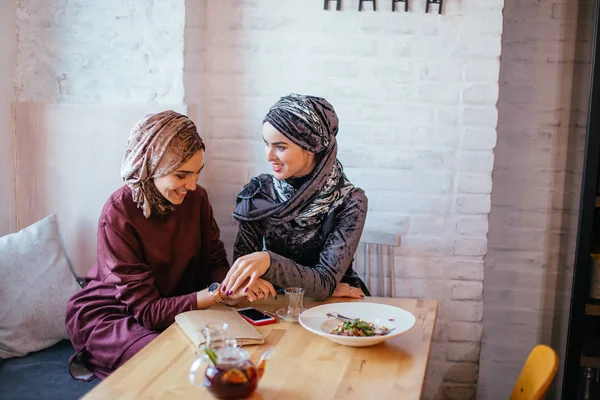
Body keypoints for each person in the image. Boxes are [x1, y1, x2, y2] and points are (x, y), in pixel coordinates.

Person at [65, 111, 274, 381]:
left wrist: (235, 285)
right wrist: (218, 294)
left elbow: (215, 263)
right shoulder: (119, 212)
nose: (192, 184)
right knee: (177, 360)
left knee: (231, 353)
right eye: (181, 175)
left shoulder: (196, 198)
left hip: (176, 305)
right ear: (150, 167)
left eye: (197, 173)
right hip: (117, 317)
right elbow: (148, 312)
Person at [221, 94, 369, 301]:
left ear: (312, 146)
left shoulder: (350, 201)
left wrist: (269, 262)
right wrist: (315, 287)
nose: (269, 156)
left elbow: (325, 283)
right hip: (276, 303)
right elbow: (245, 276)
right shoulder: (257, 193)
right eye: (267, 144)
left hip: (338, 308)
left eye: (280, 147)